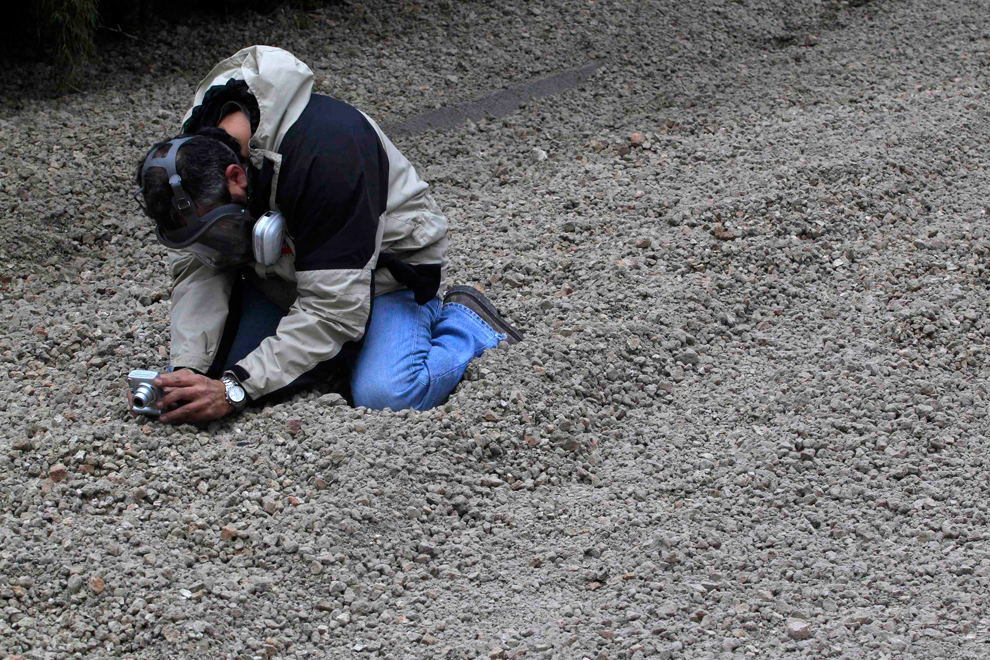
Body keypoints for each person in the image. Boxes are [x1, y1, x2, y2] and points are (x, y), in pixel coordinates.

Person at [132, 46, 522, 423]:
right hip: (287, 274)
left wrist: (235, 388)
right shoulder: (195, 158)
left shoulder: (328, 152)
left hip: (383, 275)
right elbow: (199, 268)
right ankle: (347, 352)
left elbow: (333, 309)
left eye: (217, 234)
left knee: (387, 395)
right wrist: (187, 368)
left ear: (237, 177)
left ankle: (466, 323)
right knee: (209, 374)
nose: (217, 246)